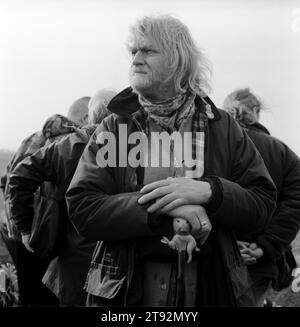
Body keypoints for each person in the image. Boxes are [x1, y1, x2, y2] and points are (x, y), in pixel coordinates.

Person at [66, 15, 276, 307]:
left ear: (179, 61)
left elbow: (262, 202)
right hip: (126, 294)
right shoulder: (115, 128)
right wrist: (164, 210)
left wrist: (211, 192)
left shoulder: (223, 127)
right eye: (133, 52)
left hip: (210, 287)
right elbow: (82, 207)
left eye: (148, 50)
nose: (136, 59)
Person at [8, 89, 117, 306]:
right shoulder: (128, 146)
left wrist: (26, 229)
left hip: (71, 257)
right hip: (107, 261)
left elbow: (16, 176)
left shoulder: (69, 145)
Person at [0, 97, 90, 306]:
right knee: (47, 295)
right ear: (86, 117)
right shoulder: (70, 143)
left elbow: (6, 180)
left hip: (12, 230)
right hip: (39, 234)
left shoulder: (32, 138)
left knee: (28, 291)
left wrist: (11, 216)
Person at [223, 88, 300, 306]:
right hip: (260, 263)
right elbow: (293, 209)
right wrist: (263, 247)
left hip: (214, 258)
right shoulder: (284, 154)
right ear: (255, 110)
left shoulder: (211, 147)